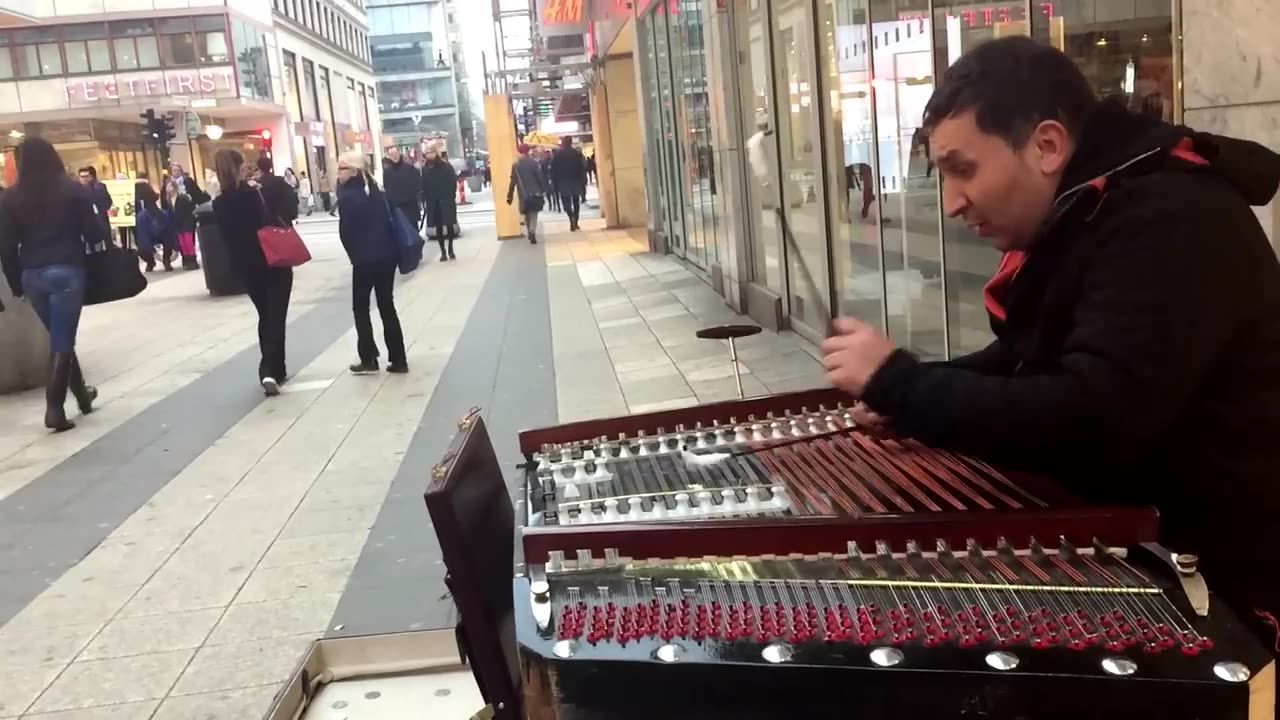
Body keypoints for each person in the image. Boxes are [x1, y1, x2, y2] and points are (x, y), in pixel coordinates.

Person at [819, 37, 1280, 670]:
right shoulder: (1093, 205)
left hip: (1225, 585)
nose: (951, 203)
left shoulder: (1171, 217)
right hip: (1142, 541)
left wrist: (903, 384)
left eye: (963, 168)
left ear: (1046, 146)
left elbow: (1094, 416)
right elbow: (1028, 357)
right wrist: (913, 391)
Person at [0, 138, 101, 431]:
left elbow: (6, 246)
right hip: (67, 270)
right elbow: (94, 234)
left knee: (60, 336)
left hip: (32, 275)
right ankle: (54, 407)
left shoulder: (10, 198)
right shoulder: (72, 189)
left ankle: (82, 394)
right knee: (62, 341)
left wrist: (15, 282)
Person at [211, 149, 294, 397]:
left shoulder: (219, 203)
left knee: (265, 315)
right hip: (272, 259)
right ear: (238, 167)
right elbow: (276, 216)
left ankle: (277, 369)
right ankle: (268, 369)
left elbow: (226, 238)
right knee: (276, 316)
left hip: (247, 266)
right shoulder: (254, 193)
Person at [335, 151, 408, 376]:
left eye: (342, 168)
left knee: (361, 307)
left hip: (364, 259)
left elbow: (345, 232)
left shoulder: (348, 196)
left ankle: (369, 357)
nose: (338, 173)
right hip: (387, 256)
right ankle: (399, 359)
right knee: (387, 304)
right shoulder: (377, 190)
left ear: (355, 171)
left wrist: (354, 255)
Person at [163, 163, 210, 270]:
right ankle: (186, 258)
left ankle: (192, 258)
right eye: (174, 170)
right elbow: (164, 202)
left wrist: (204, 199)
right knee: (182, 240)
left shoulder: (187, 182)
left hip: (188, 213)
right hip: (176, 216)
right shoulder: (168, 185)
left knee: (189, 237)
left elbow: (196, 194)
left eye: (178, 170)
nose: (176, 172)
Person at [421, 145, 458, 262]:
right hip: (433, 202)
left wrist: (451, 196)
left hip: (446, 199)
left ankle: (451, 248)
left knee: (450, 224)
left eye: (431, 152)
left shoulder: (445, 166)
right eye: (427, 153)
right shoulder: (425, 168)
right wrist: (426, 200)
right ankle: (442, 251)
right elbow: (423, 185)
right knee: (438, 227)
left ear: (436, 153)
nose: (429, 154)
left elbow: (453, 181)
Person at [507, 143, 548, 245]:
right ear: (528, 151)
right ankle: (532, 231)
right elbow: (539, 177)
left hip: (523, 193)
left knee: (526, 213)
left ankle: (529, 230)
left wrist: (510, 195)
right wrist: (543, 189)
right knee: (534, 213)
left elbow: (513, 181)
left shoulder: (515, 165)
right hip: (535, 192)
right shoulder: (533, 163)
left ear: (519, 152)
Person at [135, 182, 176, 272]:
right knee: (166, 238)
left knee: (143, 243)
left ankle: (153, 261)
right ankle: (162, 260)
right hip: (154, 218)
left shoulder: (141, 215)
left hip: (151, 218)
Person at [550, 137, 588, 231]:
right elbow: (582, 168)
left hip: (563, 182)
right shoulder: (577, 153)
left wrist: (554, 183)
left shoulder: (558, 155)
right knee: (576, 201)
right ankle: (576, 220)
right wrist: (583, 180)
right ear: (571, 142)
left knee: (566, 202)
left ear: (563, 143)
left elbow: (553, 170)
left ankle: (571, 216)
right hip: (575, 181)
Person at [381, 146, 423, 230]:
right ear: (389, 156)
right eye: (391, 154)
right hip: (396, 208)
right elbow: (387, 188)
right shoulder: (387, 172)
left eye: (395, 153)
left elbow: (417, 185)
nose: (394, 156)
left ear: (399, 153)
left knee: (413, 232)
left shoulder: (410, 168)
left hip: (410, 206)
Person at [254, 156, 299, 227]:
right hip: (282, 219)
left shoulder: (257, 184)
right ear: (271, 167)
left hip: (265, 222)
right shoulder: (280, 181)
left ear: (259, 168)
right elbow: (291, 197)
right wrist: (292, 215)